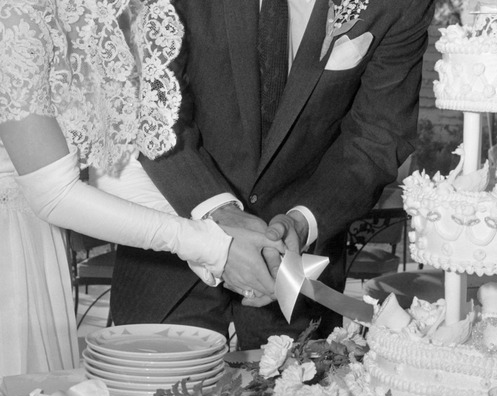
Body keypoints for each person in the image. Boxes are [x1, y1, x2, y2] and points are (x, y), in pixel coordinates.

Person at [111, 0, 436, 348]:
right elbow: (147, 106)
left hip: (294, 274)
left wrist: (301, 223)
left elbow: (377, 137)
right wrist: (220, 214)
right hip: (171, 254)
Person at [0, 0, 279, 376]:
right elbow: (53, 192)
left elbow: (113, 164)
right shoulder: (16, 12)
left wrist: (223, 237)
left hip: (36, 240)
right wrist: (212, 247)